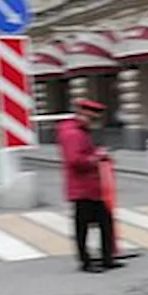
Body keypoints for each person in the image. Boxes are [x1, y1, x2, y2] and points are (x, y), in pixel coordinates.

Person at [57, 98, 122, 273]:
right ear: (84, 113)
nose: (95, 120)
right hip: (82, 188)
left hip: (91, 186)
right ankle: (86, 262)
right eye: (93, 116)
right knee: (83, 226)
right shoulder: (73, 133)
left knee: (105, 222)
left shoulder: (80, 131)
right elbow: (75, 160)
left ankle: (107, 258)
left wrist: (97, 154)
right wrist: (97, 157)